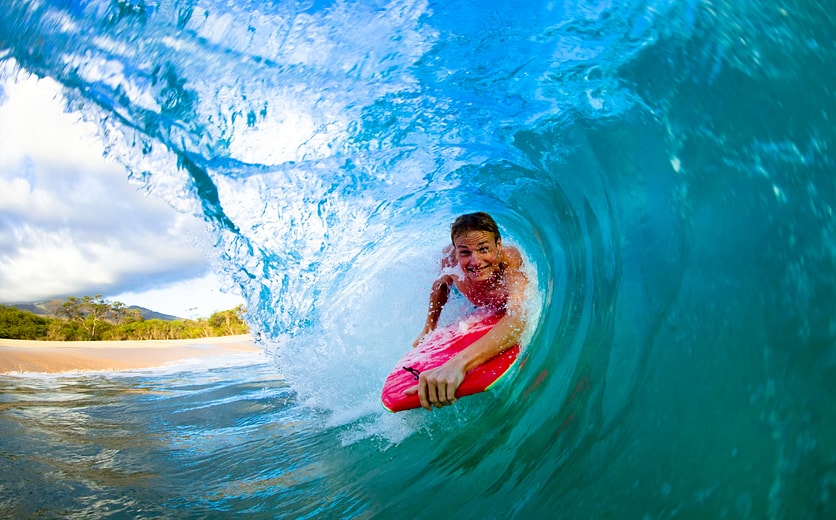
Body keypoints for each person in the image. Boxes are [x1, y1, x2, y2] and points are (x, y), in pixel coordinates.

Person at [407, 212, 528, 410]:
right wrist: (429, 327)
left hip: (500, 305)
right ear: (456, 251)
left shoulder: (510, 260)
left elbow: (518, 318)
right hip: (475, 302)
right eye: (465, 252)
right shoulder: (450, 260)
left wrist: (457, 365)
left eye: (483, 249)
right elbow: (441, 286)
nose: (475, 261)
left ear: (498, 244)